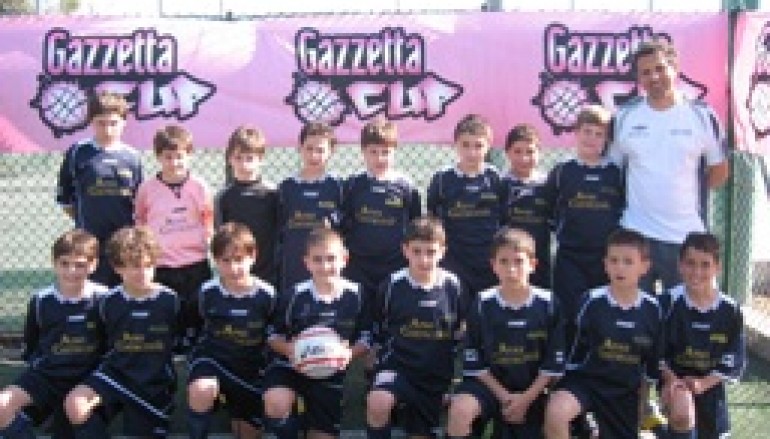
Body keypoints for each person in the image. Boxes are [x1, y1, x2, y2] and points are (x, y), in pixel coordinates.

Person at [607, 38, 729, 294]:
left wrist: (683, 197)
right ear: (638, 78)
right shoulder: (625, 116)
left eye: (660, 68)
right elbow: (612, 170)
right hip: (636, 235)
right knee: (635, 312)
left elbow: (720, 171)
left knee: (688, 310)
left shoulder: (702, 115)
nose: (654, 77)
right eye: (645, 72)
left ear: (675, 68)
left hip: (686, 237)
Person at [544, 229, 663, 439]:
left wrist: (642, 403)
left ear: (645, 266)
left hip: (624, 391)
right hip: (586, 385)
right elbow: (572, 350)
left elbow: (650, 365)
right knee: (557, 413)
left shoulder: (653, 309)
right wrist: (559, 385)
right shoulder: (591, 301)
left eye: (628, 262)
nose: (620, 267)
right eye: (614, 260)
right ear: (605, 264)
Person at [447, 227, 565, 439]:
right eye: (504, 262)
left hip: (534, 390)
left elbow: (553, 364)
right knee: (460, 410)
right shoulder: (482, 303)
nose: (511, 269)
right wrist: (505, 397)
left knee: (559, 411)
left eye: (519, 261)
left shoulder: (549, 303)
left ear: (533, 264)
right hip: (490, 388)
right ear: (493, 265)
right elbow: (474, 360)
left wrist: (525, 399)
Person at [63, 226, 180, 439]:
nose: (142, 273)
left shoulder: (170, 300)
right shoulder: (107, 301)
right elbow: (101, 339)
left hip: (152, 383)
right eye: (134, 266)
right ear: (118, 267)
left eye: (148, 265)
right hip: (115, 375)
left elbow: (180, 338)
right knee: (75, 404)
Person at [263, 227, 370, 439]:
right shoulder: (294, 295)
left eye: (331, 259)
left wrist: (349, 353)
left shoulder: (357, 295)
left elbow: (367, 338)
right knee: (276, 402)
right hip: (290, 367)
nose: (325, 266)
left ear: (344, 259)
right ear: (307, 262)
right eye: (317, 260)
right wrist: (289, 349)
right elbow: (272, 335)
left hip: (329, 371)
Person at [0, 230, 107, 439]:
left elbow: (112, 346)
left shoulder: (105, 299)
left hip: (89, 379)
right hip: (48, 377)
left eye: (80, 265)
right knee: (3, 405)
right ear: (54, 264)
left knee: (74, 414)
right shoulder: (41, 300)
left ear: (93, 265)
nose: (71, 271)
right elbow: (32, 344)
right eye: (64, 263)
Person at [366, 216, 466, 439]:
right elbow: (378, 326)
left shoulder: (453, 285)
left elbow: (459, 329)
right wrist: (373, 362)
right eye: (417, 251)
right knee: (378, 402)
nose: (424, 259)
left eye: (431, 252)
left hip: (434, 376)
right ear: (405, 250)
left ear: (443, 252)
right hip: (397, 369)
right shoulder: (392, 285)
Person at [186, 223, 277, 439]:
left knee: (247, 433)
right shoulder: (206, 292)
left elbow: (274, 332)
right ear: (215, 261)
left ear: (253, 256)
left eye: (239, 259)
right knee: (202, 389)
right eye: (225, 261)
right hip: (212, 362)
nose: (233, 268)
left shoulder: (268, 295)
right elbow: (192, 324)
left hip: (250, 368)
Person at [543, 105, 623, 334]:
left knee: (601, 313)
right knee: (569, 312)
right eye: (587, 131)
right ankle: (568, 354)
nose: (592, 138)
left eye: (599, 134)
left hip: (604, 257)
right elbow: (548, 207)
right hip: (570, 256)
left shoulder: (616, 173)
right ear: (576, 132)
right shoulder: (562, 171)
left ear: (607, 140)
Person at [659, 232, 745, 439]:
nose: (697, 271)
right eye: (690, 263)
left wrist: (703, 383)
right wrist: (670, 379)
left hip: (711, 384)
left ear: (718, 267)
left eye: (705, 265)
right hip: (675, 381)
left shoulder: (730, 310)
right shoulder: (667, 302)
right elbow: (655, 353)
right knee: (682, 410)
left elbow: (735, 361)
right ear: (680, 265)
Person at [135, 124, 213, 348]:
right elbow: (140, 220)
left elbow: (208, 219)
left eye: (179, 156)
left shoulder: (199, 186)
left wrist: (205, 241)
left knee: (196, 313)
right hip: (163, 263)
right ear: (158, 157)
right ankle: (170, 350)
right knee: (167, 315)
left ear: (189, 155)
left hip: (195, 262)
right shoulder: (147, 189)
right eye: (168, 157)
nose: (174, 162)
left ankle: (196, 349)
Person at [55, 91, 142, 287]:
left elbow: (138, 201)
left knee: (123, 291)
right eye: (101, 123)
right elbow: (66, 201)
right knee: (92, 291)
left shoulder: (132, 157)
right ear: (91, 122)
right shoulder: (78, 152)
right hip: (89, 240)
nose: (107, 129)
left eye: (113, 123)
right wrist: (86, 221)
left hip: (124, 241)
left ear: (124, 122)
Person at [342, 118, 422, 300]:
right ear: (363, 152)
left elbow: (414, 226)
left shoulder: (406, 187)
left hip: (394, 263)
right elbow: (344, 222)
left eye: (386, 152)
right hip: (359, 265)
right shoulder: (353, 184)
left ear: (395, 151)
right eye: (373, 152)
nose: (380, 158)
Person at [427, 114, 505, 296]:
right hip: (454, 259)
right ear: (456, 144)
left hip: (487, 259)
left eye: (478, 146)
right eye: (465, 145)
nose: (472, 152)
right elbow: (433, 218)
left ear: (488, 146)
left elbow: (504, 218)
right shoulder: (442, 179)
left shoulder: (495, 178)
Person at [277, 123, 344, 293]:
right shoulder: (286, 187)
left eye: (320, 150)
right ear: (299, 148)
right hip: (294, 261)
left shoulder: (338, 186)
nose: (314, 155)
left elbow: (345, 222)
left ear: (331, 151)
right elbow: (279, 226)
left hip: (325, 264)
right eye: (309, 148)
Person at [215, 126, 279, 286]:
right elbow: (221, 236)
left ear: (261, 159)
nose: (243, 164)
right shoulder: (223, 197)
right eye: (238, 158)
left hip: (268, 272)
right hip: (235, 272)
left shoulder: (273, 193)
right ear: (230, 159)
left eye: (249, 158)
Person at [501, 124, 552, 289]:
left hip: (540, 258)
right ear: (507, 152)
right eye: (517, 151)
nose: (524, 158)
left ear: (539, 152)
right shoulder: (500, 183)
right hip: (508, 260)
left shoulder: (548, 184)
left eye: (530, 152)